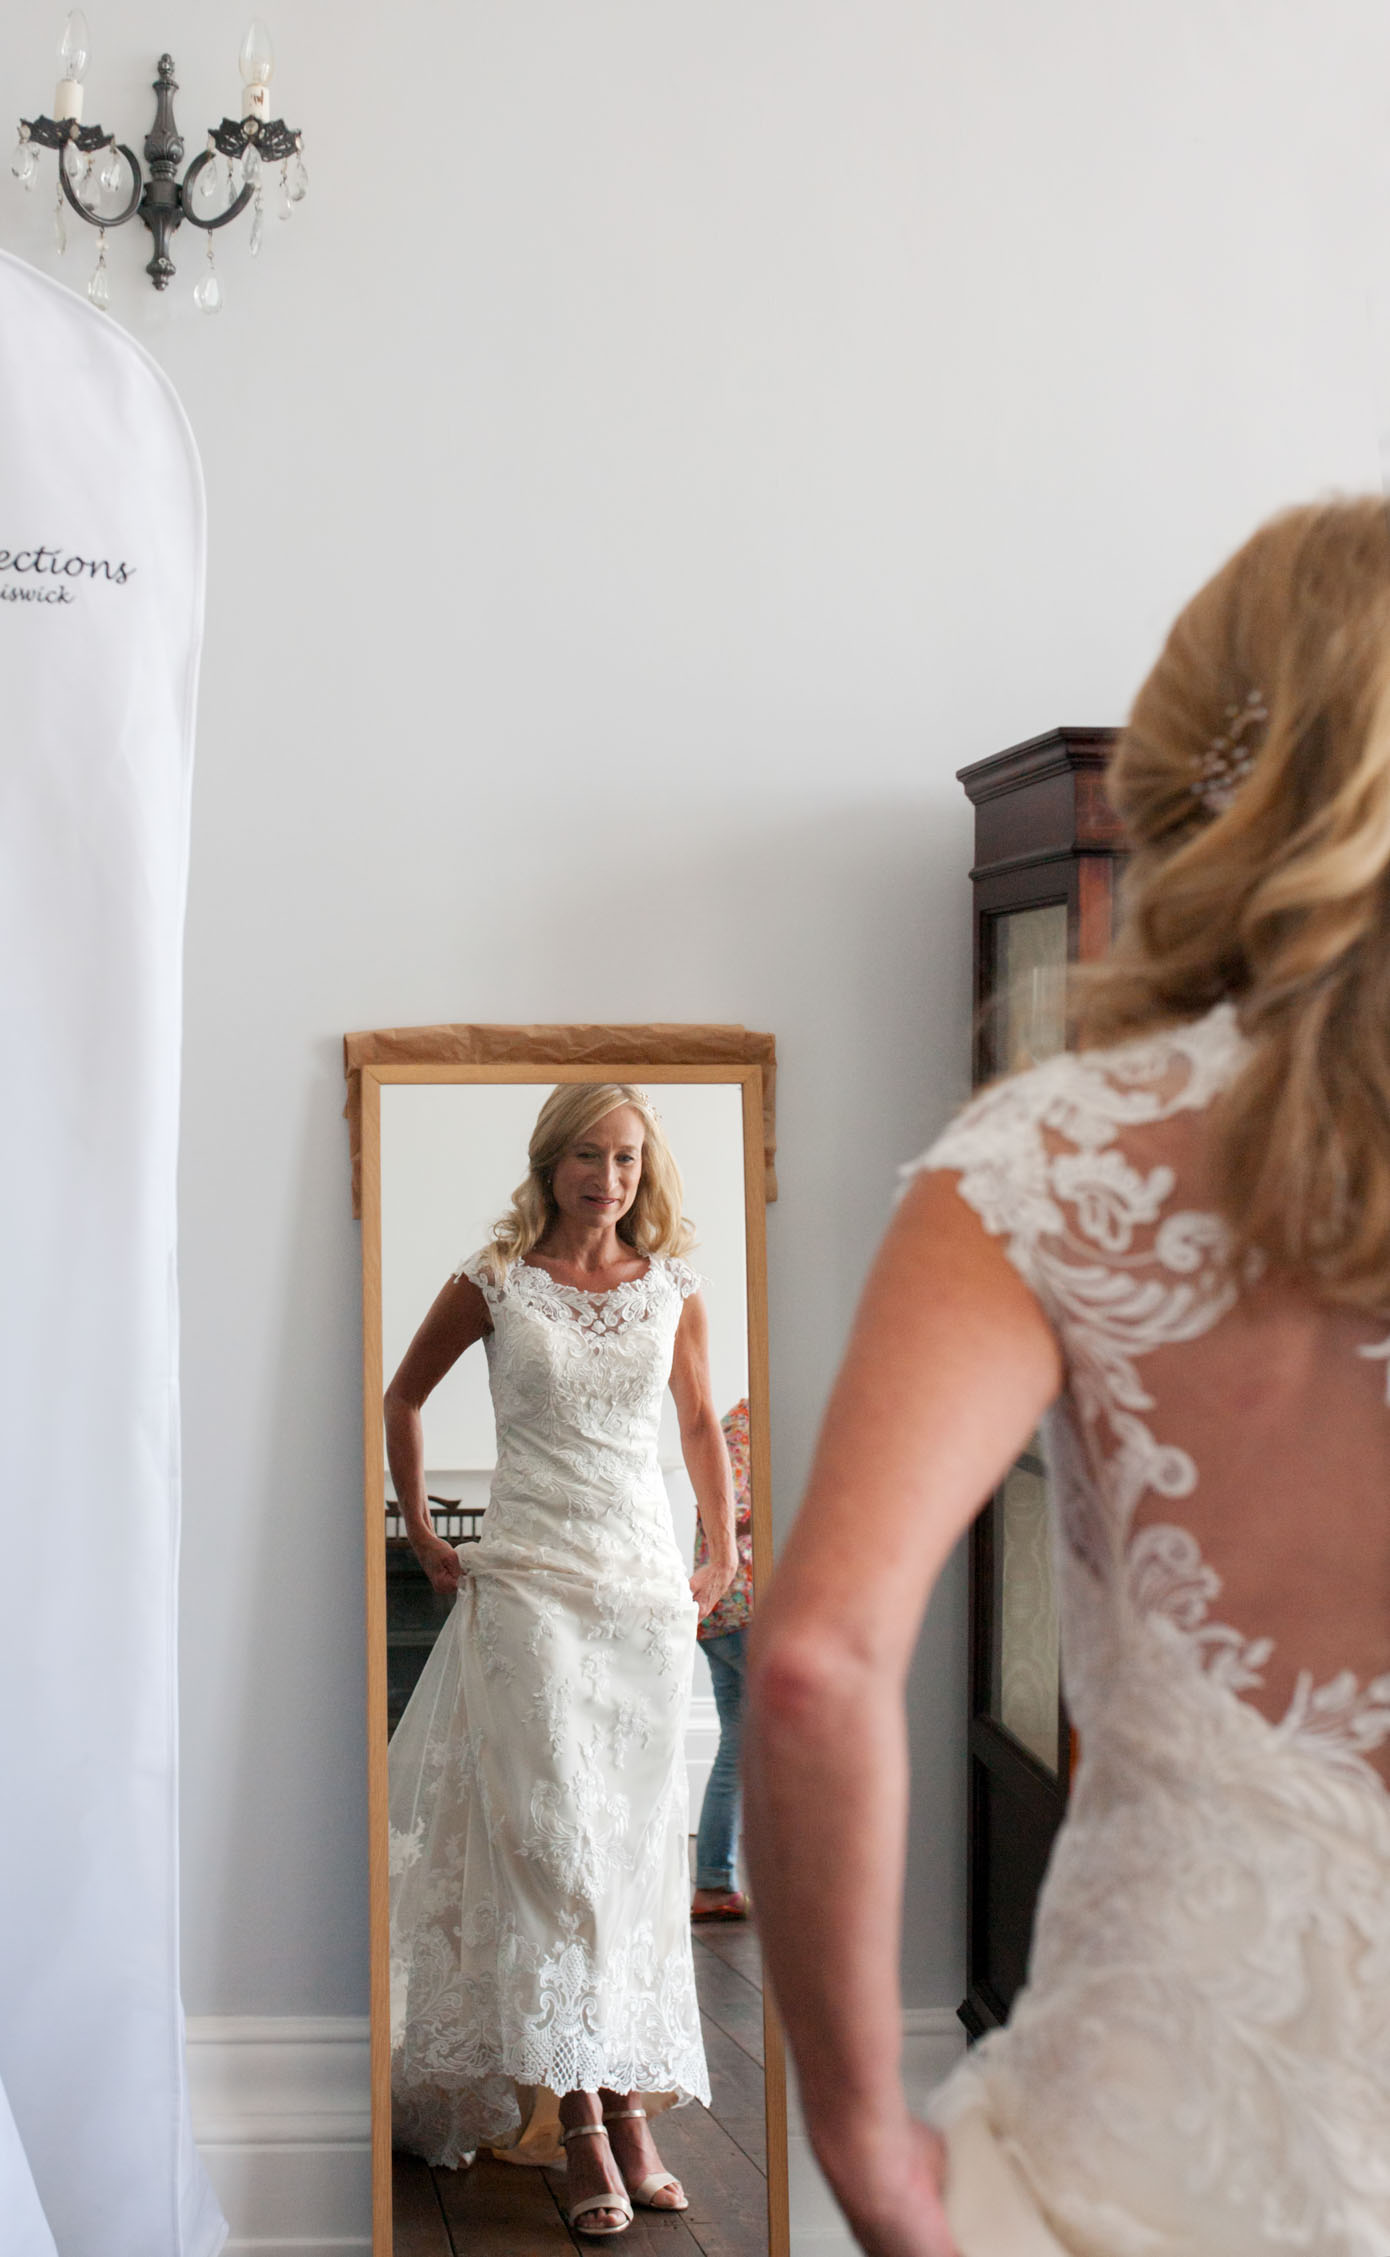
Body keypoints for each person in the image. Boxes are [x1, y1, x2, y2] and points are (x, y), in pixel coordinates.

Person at [745, 498, 1390, 2257]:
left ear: (1197, 770)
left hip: (1137, 2171)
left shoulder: (1055, 1151)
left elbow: (811, 1666)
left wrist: (864, 2145)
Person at [385, 1083, 739, 2239]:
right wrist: (425, 1529)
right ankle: (580, 2117)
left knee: (634, 1856)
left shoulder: (673, 1286)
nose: (609, 1177)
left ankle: (628, 2102)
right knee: (554, 1845)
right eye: (588, 1155)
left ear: (648, 1167)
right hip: (530, 1587)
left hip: (641, 1595)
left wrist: (723, 1549)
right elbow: (402, 1397)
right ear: (551, 1162)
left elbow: (697, 1426)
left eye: (628, 1157)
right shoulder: (494, 1279)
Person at [691, 1398, 753, 1922]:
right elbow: (737, 1515)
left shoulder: (735, 1424)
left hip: (720, 1614)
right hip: (743, 1609)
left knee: (739, 1745)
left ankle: (714, 1884)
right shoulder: (751, 1428)